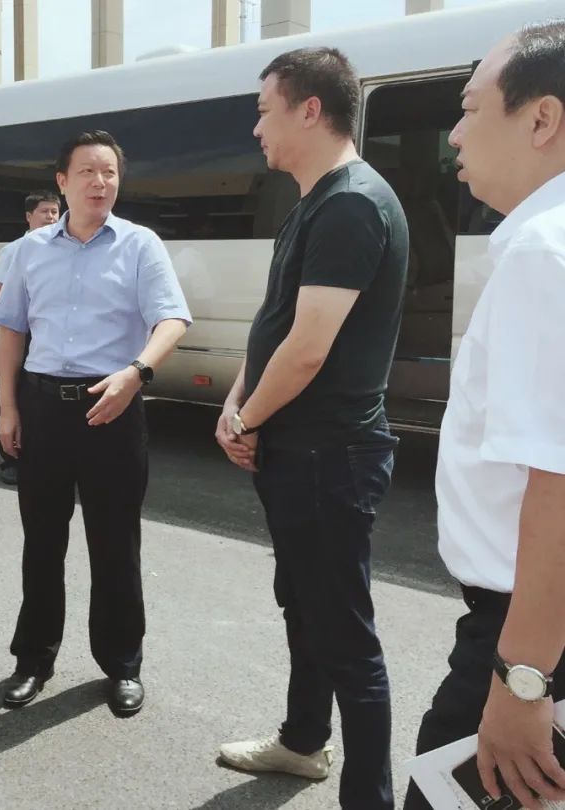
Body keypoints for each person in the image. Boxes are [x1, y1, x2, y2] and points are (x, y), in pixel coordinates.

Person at [213, 48, 409, 810]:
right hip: (301, 452)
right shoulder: (314, 202)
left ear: (310, 110)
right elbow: (277, 324)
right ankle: (301, 742)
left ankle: (369, 797)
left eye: (265, 110)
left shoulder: (352, 204)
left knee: (346, 640)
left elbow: (307, 347)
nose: (255, 127)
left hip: (330, 457)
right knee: (307, 611)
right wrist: (238, 403)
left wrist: (245, 417)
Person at [405, 21, 565, 810]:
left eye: (470, 109)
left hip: (530, 636)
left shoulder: (544, 252)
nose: (455, 134)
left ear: (542, 119)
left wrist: (522, 679)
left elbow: (559, 481)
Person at [0, 130, 190, 716]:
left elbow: (172, 319)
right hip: (44, 409)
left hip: (114, 406)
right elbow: (11, 331)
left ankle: (122, 664)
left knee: (115, 544)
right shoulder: (29, 250)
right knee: (41, 542)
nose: (100, 182)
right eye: (87, 172)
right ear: (62, 181)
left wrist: (137, 374)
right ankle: (33, 659)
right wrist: (8, 407)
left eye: (109, 173)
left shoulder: (140, 245)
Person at [0, 190, 61, 486]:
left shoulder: (63, 248)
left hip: (51, 331)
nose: (51, 217)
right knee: (16, 393)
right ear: (29, 216)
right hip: (24, 331)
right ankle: (11, 459)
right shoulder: (15, 250)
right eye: (44, 211)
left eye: (55, 212)